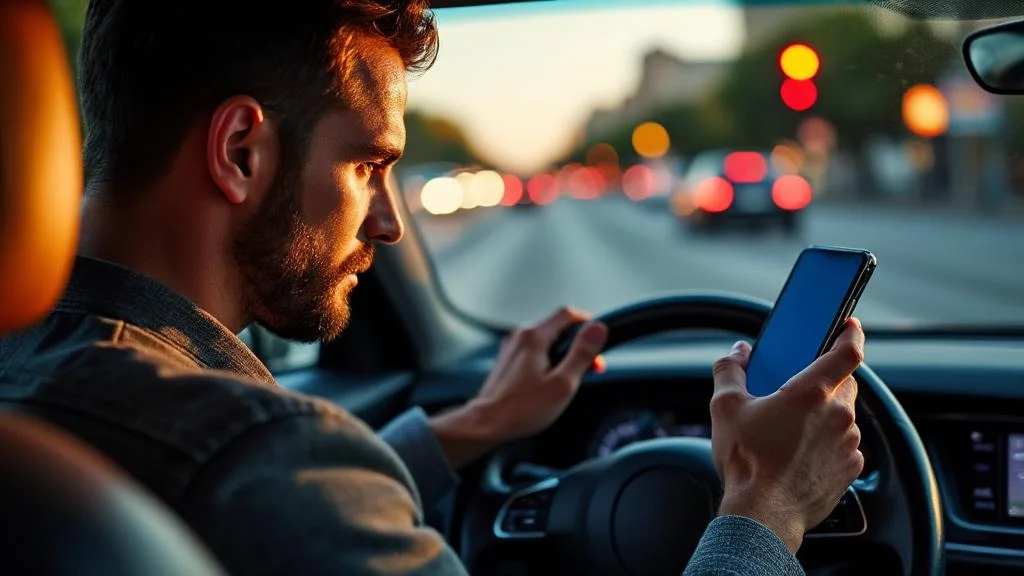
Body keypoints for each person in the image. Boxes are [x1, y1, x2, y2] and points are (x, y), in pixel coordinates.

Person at [0, 0, 864, 574]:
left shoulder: (39, 385)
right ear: (240, 152)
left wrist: (477, 426)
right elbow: (279, 488)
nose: (389, 223)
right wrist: (766, 506)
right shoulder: (256, 455)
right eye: (370, 163)